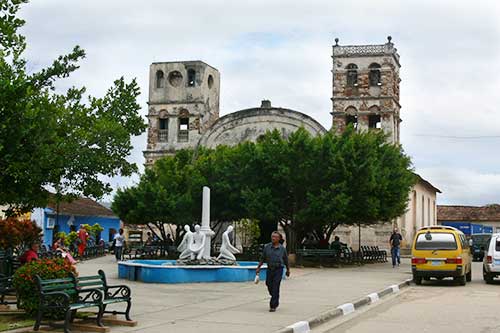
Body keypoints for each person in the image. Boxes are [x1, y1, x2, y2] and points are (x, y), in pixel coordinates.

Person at [256, 231, 290, 312]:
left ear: (279, 239)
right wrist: (258, 267)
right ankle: (275, 295)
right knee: (268, 284)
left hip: (278, 269)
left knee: (276, 285)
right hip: (270, 269)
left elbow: (286, 260)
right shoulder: (267, 247)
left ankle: (273, 305)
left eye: (275, 237)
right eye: (272, 236)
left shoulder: (282, 249)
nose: (273, 238)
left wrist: (288, 270)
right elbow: (262, 258)